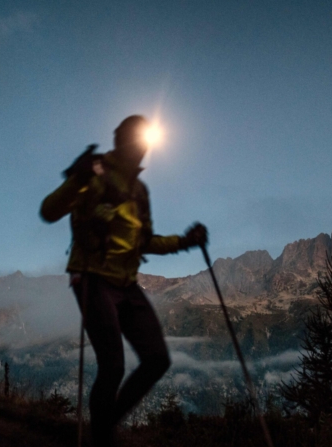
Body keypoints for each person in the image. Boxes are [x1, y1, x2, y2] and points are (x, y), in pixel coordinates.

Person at [40, 115, 207, 446]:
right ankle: (102, 437)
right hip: (91, 278)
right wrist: (78, 177)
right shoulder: (96, 171)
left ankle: (102, 430)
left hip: (126, 284)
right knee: (112, 366)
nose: (140, 149)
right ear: (122, 141)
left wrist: (185, 242)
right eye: (136, 140)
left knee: (157, 359)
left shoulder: (139, 190)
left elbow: (145, 242)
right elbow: (49, 210)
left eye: (144, 143)